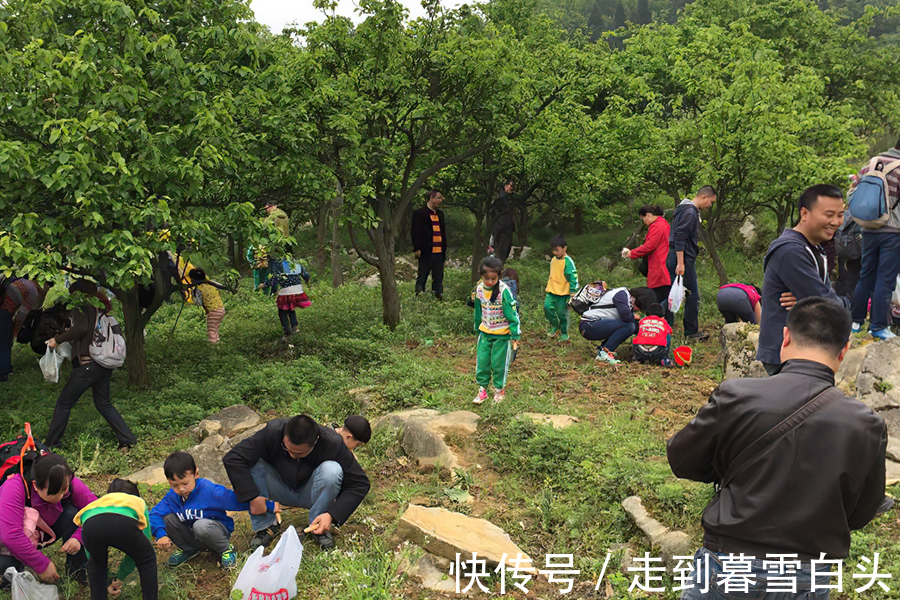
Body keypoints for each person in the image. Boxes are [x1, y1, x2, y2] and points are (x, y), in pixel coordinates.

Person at [667, 297, 886, 599]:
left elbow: (682, 460)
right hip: (807, 573)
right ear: (844, 351)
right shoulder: (867, 424)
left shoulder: (736, 395)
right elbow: (862, 512)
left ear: (785, 337)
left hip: (730, 560)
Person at [223, 414, 370, 551]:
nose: (292, 455)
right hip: (278, 488)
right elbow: (234, 458)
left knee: (332, 470)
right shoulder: (273, 432)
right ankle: (265, 526)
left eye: (299, 453)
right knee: (253, 465)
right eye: (287, 449)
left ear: (315, 442)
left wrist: (332, 514)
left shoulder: (332, 442)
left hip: (311, 492)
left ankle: (318, 525)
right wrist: (252, 496)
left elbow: (359, 483)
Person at [757, 185, 850, 375]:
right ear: (805, 213)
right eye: (829, 214)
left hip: (804, 349)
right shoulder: (791, 251)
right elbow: (831, 307)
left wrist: (810, 303)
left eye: (840, 215)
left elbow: (825, 301)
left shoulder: (813, 247)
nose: (836, 222)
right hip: (786, 353)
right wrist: (817, 304)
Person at [45, 281, 136, 450]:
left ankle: (51, 444)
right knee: (103, 404)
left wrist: (58, 340)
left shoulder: (81, 306)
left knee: (64, 403)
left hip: (88, 364)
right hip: (103, 363)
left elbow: (81, 328)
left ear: (77, 293)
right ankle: (127, 439)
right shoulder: (98, 307)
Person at [150, 452, 274, 569]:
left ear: (196, 474)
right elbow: (154, 514)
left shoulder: (209, 490)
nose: (181, 489)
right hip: (193, 535)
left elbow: (236, 500)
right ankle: (189, 549)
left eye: (185, 483)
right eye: (175, 485)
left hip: (214, 531)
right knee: (167, 519)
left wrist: (268, 505)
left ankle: (226, 549)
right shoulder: (172, 496)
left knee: (201, 526)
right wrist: (161, 534)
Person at [0, 454, 95, 584]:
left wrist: (78, 537)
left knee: (72, 515)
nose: (63, 494)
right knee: (8, 570)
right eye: (57, 491)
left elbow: (95, 510)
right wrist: (42, 564)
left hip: (41, 531)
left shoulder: (67, 481)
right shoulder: (14, 487)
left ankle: (76, 576)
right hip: (6, 540)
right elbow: (10, 535)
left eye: (65, 489)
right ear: (36, 486)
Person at [849, 136, 900, 340]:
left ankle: (855, 322)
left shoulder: (871, 163)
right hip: (893, 231)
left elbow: (853, 191)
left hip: (869, 228)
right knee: (885, 279)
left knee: (865, 276)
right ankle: (878, 326)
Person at [75, 478, 157, 600]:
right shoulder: (136, 502)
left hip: (90, 523)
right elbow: (143, 545)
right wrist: (121, 575)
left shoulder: (98, 503)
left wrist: (106, 580)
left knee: (96, 564)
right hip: (122, 524)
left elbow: (90, 554)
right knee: (147, 559)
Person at [666, 187, 717, 340]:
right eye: (710, 202)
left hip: (677, 256)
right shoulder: (690, 212)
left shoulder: (684, 208)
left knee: (673, 293)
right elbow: (680, 236)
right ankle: (691, 332)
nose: (710, 205)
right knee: (692, 294)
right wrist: (681, 263)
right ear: (703, 196)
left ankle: (662, 326)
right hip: (682, 258)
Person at [472, 256, 520, 404]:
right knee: (482, 362)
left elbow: (512, 313)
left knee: (499, 364)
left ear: (499, 276)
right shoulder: (479, 289)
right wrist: (476, 327)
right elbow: (478, 311)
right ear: (481, 275)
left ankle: (499, 390)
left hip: (502, 335)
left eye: (493, 278)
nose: (490, 281)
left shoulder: (504, 291)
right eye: (486, 278)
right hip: (485, 333)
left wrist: (515, 333)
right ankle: (482, 390)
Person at [579, 286, 656, 365]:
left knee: (632, 325)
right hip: (589, 325)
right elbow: (626, 317)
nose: (638, 310)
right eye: (639, 308)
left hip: (595, 324)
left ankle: (602, 349)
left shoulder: (625, 295)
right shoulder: (621, 295)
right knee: (629, 326)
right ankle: (605, 353)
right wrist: (633, 317)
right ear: (636, 300)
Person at [623, 205, 671, 305]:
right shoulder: (663, 224)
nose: (644, 222)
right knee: (663, 297)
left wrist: (632, 253)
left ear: (648, 215)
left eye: (643, 219)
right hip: (661, 265)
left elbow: (650, 246)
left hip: (658, 266)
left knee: (656, 298)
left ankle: (656, 314)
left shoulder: (657, 226)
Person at [0, 276, 44, 382]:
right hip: (4, 313)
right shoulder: (33, 292)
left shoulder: (22, 281)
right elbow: (21, 315)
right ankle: (3, 373)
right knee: (5, 344)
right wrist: (15, 333)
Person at [259, 259, 311, 342]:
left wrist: (265, 285)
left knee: (282, 311)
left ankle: (287, 333)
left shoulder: (279, 264)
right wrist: (307, 283)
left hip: (286, 290)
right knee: (290, 307)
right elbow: (306, 275)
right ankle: (294, 326)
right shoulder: (296, 262)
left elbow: (275, 278)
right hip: (298, 288)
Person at [411, 189, 447, 299]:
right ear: (431, 198)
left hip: (439, 252)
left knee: (438, 276)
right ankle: (419, 296)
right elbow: (415, 231)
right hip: (426, 251)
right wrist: (417, 248)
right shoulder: (420, 213)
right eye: (439, 198)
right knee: (423, 275)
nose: (441, 200)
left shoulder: (440, 214)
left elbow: (443, 232)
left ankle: (438, 297)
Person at [544, 234, 578, 342]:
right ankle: (555, 325)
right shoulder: (553, 260)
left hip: (563, 294)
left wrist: (573, 293)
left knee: (562, 314)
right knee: (547, 307)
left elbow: (573, 278)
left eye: (557, 250)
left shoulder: (568, 262)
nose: (555, 252)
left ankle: (564, 332)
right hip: (551, 291)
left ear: (564, 248)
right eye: (553, 250)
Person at [188, 269, 225, 345]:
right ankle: (217, 343)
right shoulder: (212, 283)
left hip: (213, 312)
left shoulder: (198, 289)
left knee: (211, 331)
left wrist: (192, 295)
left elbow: (198, 302)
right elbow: (221, 286)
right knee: (214, 329)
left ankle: (213, 345)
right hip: (221, 309)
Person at [489, 181, 515, 263]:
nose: (511, 188)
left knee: (503, 252)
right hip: (502, 229)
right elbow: (495, 212)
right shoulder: (501, 198)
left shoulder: (508, 198)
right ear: (505, 186)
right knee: (500, 253)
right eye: (510, 185)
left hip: (506, 228)